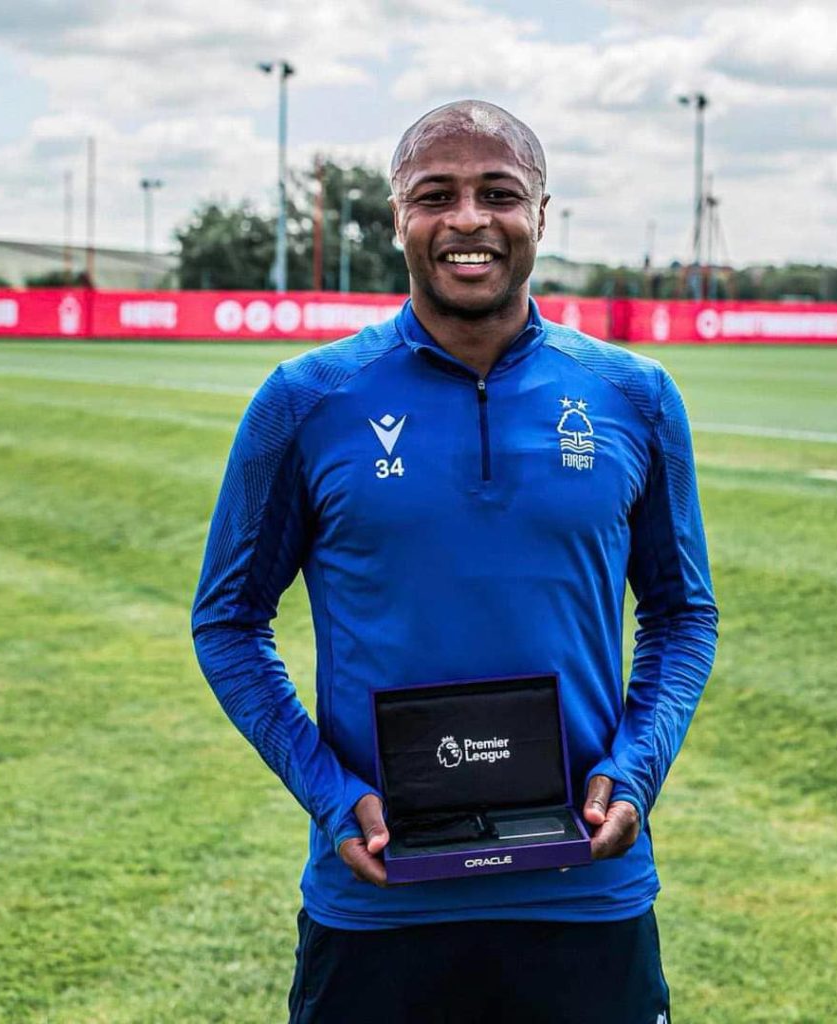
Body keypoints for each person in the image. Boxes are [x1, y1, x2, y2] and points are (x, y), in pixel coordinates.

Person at [192, 99, 717, 1024]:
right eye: (435, 195)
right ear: (398, 216)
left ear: (541, 214)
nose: (468, 219)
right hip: (381, 904)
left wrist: (635, 769)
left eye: (498, 194)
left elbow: (682, 618)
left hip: (585, 896)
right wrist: (331, 794)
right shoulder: (305, 400)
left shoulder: (635, 396)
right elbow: (228, 622)